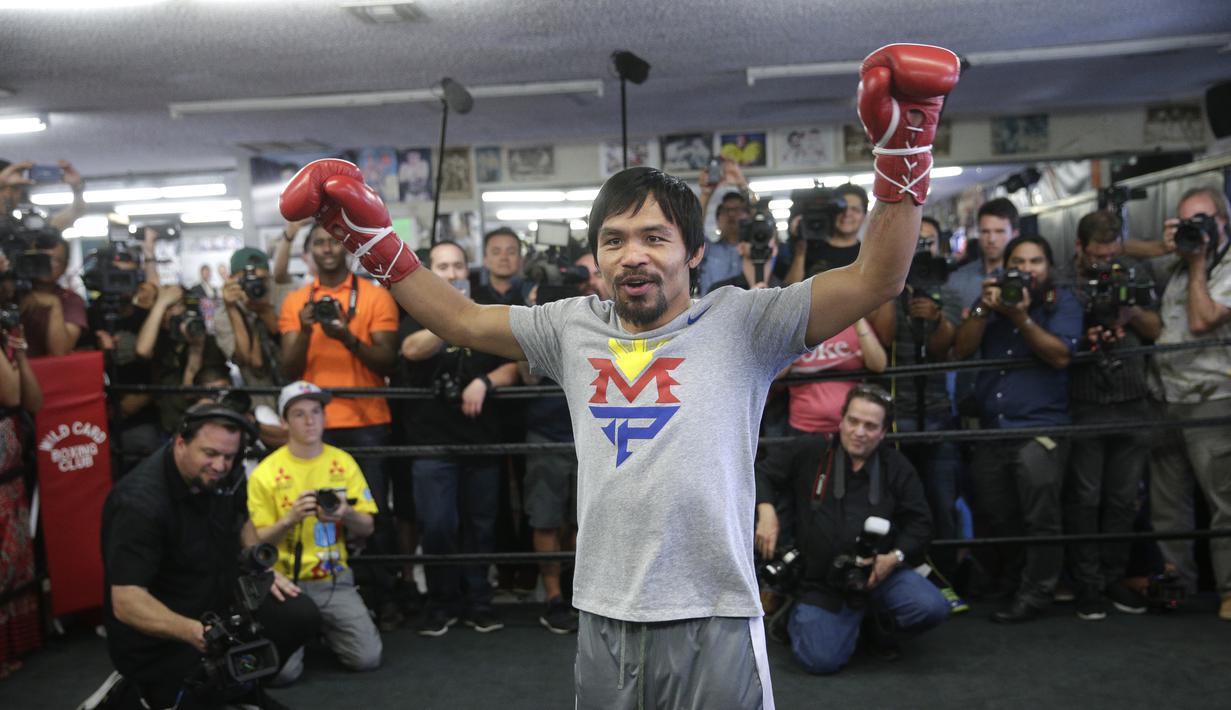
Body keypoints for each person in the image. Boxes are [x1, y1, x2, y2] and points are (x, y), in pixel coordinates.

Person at [280, 43, 959, 708]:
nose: (632, 255)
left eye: (653, 237)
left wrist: (903, 155)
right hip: (603, 610)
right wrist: (376, 242)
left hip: (713, 612)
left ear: (693, 252)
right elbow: (459, 320)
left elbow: (878, 277)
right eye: (614, 240)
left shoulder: (744, 322)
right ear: (596, 257)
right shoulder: (571, 325)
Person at [100, 404, 319, 709]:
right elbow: (126, 602)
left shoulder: (226, 473)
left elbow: (241, 519)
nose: (219, 465)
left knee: (298, 614)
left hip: (215, 608)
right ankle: (157, 694)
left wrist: (258, 564)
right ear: (180, 443)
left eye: (228, 457)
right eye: (210, 454)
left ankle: (235, 686)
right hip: (166, 637)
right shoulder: (139, 503)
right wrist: (195, 633)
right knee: (193, 682)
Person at [755, 385, 947, 674]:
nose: (859, 432)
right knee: (819, 661)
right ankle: (804, 617)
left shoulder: (896, 466)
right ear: (841, 420)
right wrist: (766, 510)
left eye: (870, 426)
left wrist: (893, 557)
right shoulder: (811, 451)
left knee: (931, 606)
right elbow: (760, 473)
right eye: (853, 421)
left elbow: (922, 524)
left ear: (883, 432)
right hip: (819, 583)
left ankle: (868, 627)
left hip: (877, 574)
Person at [953, 234, 1082, 623]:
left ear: (1048, 268)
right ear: (1006, 266)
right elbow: (962, 349)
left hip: (1041, 427)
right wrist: (981, 308)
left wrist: (1021, 318)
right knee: (995, 508)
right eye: (1019, 262)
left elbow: (1060, 356)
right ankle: (1012, 580)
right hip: (994, 427)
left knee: (1039, 509)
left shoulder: (1062, 302)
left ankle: (1037, 592)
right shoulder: (993, 298)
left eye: (1036, 262)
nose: (1027, 270)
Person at [397, 240, 521, 636]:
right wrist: (448, 320)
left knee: (480, 526)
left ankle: (479, 601)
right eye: (442, 267)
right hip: (432, 441)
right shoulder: (417, 307)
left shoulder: (486, 308)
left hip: (481, 437)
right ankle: (441, 602)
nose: (452, 274)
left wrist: (485, 381)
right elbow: (410, 350)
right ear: (430, 272)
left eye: (457, 266)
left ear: (468, 270)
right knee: (437, 526)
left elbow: (514, 365)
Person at [1062, 211, 1162, 619]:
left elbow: (1156, 329)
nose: (1105, 262)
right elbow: (1059, 338)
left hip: (1132, 397)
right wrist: (1088, 332)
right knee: (1085, 498)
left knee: (1123, 498)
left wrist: (1129, 307)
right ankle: (1087, 586)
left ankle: (1112, 578)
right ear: (1080, 249)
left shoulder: (1135, 272)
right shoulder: (1064, 279)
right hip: (1085, 399)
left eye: (1112, 252)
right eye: (1097, 255)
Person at [248, 381, 382, 680]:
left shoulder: (342, 462)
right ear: (284, 422)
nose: (310, 421)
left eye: (316, 412)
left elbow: (368, 527)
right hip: (284, 584)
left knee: (367, 659)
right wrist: (289, 519)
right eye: (299, 414)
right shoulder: (265, 472)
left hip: (334, 578)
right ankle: (305, 632)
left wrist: (344, 512)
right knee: (282, 676)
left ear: (324, 417)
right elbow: (255, 542)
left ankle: (323, 628)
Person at [1147, 185, 1231, 621]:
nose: (1193, 230)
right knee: (1168, 505)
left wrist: (1197, 260)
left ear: (1222, 221)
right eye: (1185, 222)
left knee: (1224, 502)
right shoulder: (1180, 266)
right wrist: (1173, 247)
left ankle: (1230, 590)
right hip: (1168, 395)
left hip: (1212, 398)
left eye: (1201, 220)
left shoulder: (1220, 267)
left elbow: (1202, 320)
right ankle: (1176, 584)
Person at [888, 216, 964, 597]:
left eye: (927, 242)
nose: (921, 250)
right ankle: (907, 582)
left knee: (941, 505)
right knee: (901, 507)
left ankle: (947, 583)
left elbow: (945, 350)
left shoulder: (945, 288)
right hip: (898, 415)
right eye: (914, 241)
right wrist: (892, 280)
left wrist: (934, 319)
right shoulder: (889, 286)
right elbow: (884, 339)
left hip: (936, 410)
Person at [0, 318, 42, 678]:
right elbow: (10, 395)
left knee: (14, 563)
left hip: (11, 478)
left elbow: (32, 400)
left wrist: (21, 354)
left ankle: (14, 646)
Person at [20, 230, 88, 357]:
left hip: (45, 372)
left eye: (55, 260)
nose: (47, 265)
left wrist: (54, 304)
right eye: (42, 258)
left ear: (65, 266)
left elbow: (59, 351)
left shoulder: (71, 300)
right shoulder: (12, 291)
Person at [949, 198, 1019, 315]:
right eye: (985, 232)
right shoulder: (957, 280)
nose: (991, 239)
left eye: (1000, 231)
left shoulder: (1024, 278)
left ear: (1015, 234)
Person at [696, 159, 752, 295]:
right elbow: (692, 228)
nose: (732, 215)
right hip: (711, 314)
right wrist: (705, 194)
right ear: (717, 219)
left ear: (747, 216)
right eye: (726, 210)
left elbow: (763, 221)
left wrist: (743, 185)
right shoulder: (706, 251)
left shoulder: (756, 251)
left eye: (737, 210)